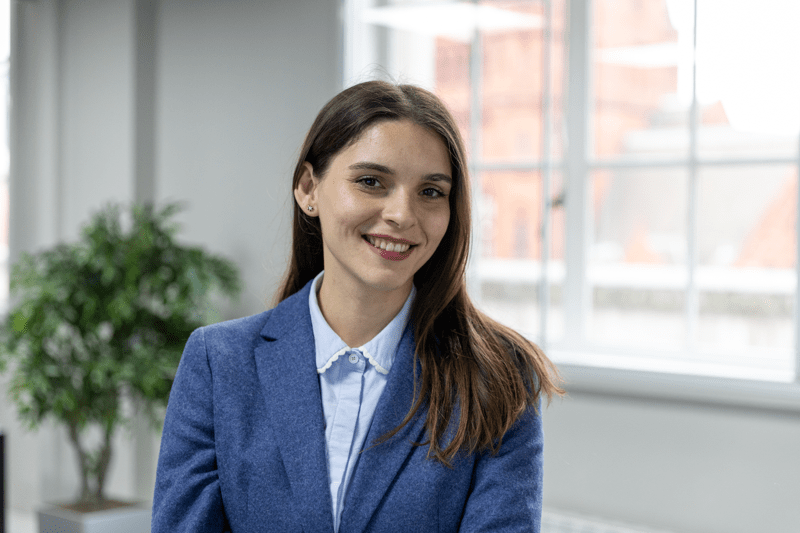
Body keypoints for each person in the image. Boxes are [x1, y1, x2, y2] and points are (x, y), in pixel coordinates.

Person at [151, 80, 563, 533]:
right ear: (309, 188)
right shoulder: (218, 363)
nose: (402, 214)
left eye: (430, 192)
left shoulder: (499, 377)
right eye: (371, 182)